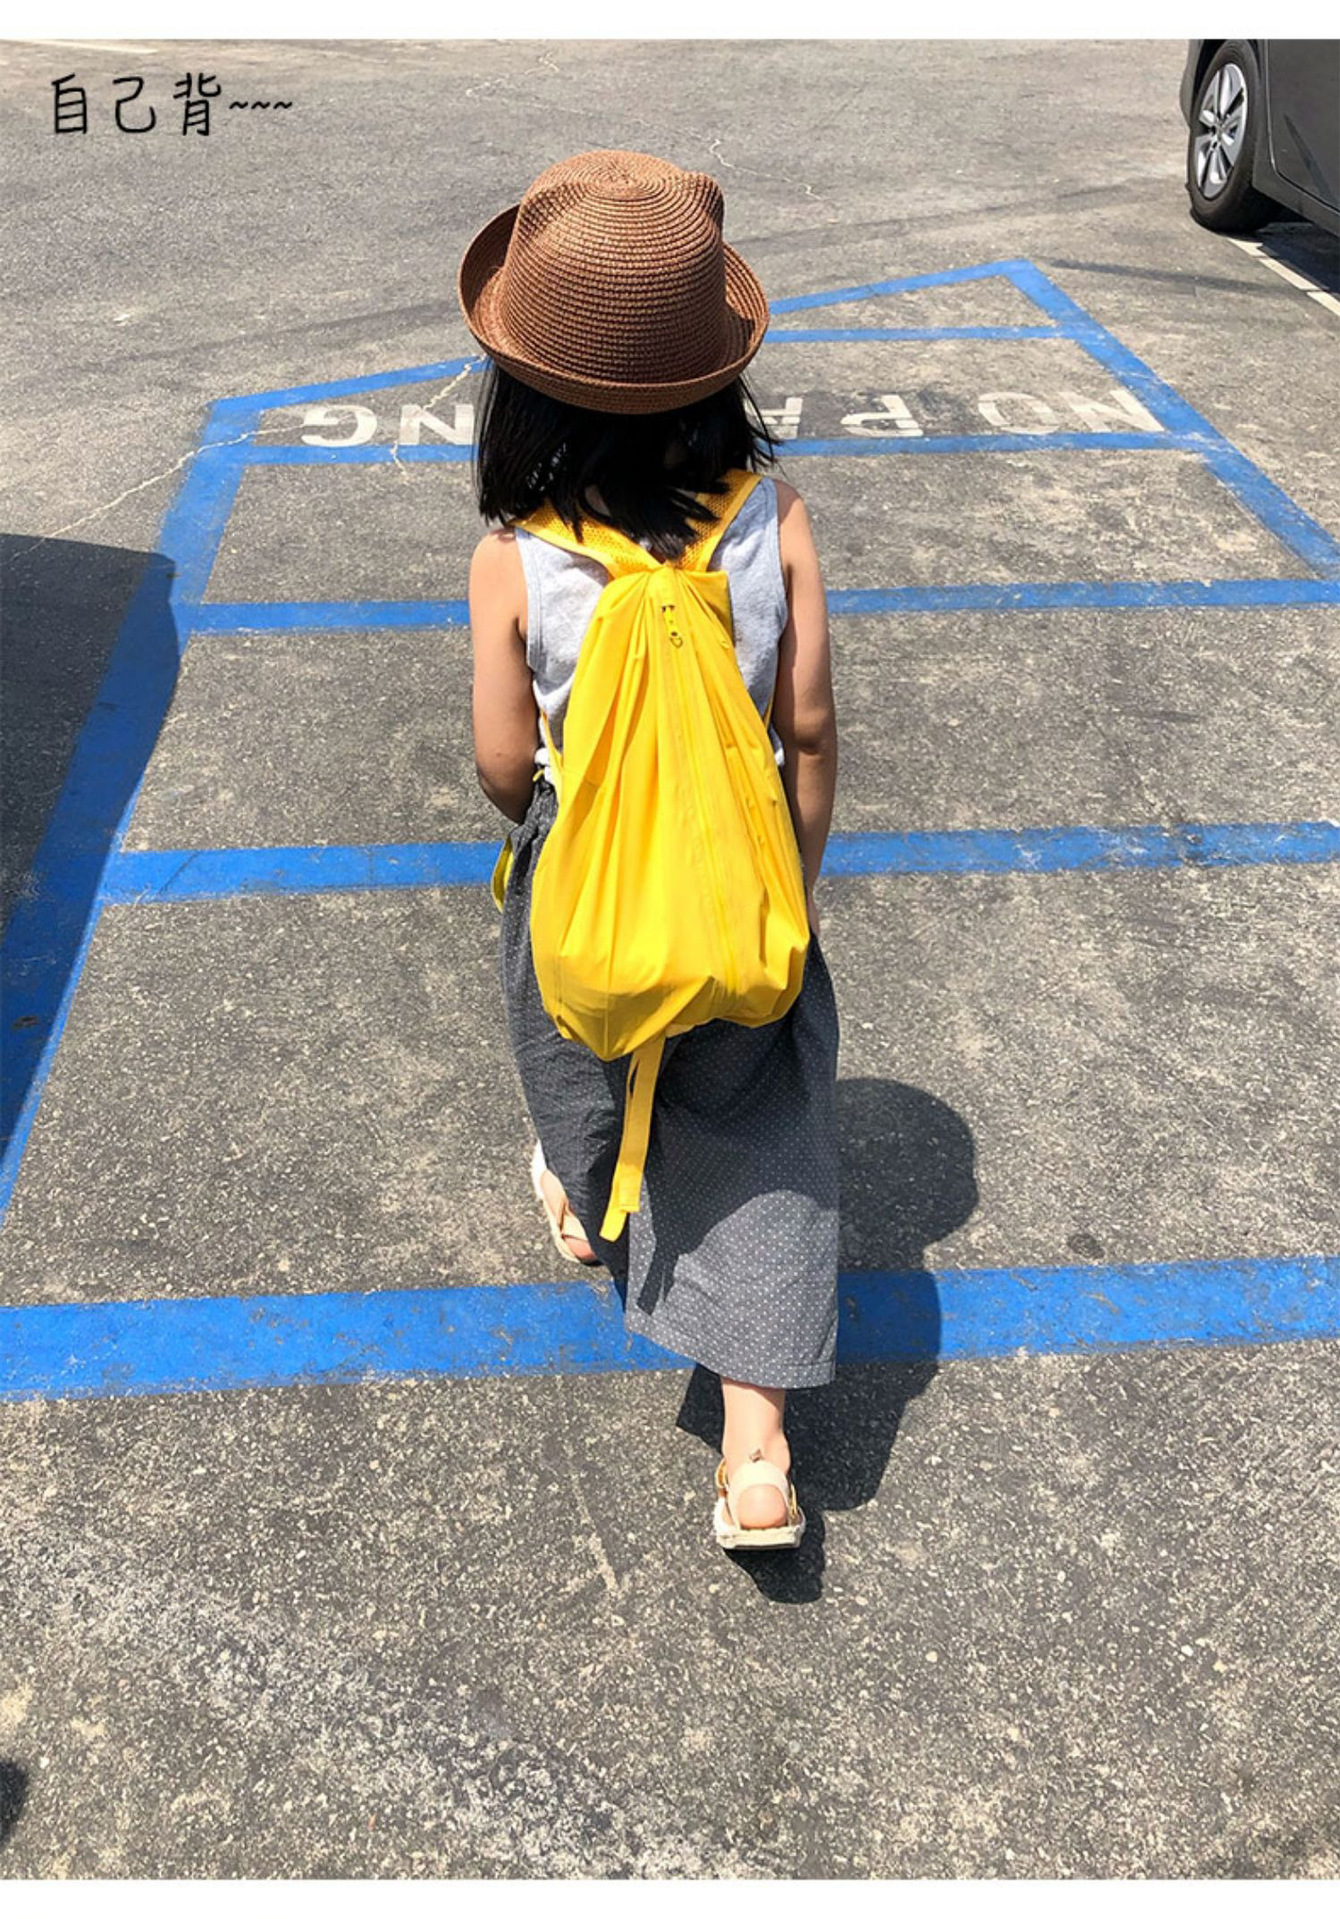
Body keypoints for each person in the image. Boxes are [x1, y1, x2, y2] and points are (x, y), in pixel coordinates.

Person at [459, 148, 840, 1544]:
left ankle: (586, 1200)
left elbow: (505, 767)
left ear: (520, 390)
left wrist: (565, 817)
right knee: (757, 1127)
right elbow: (811, 729)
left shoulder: (515, 555)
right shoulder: (774, 516)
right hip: (743, 877)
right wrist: (791, 873)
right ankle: (757, 1454)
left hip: (592, 875)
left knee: (571, 1031)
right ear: (720, 375)